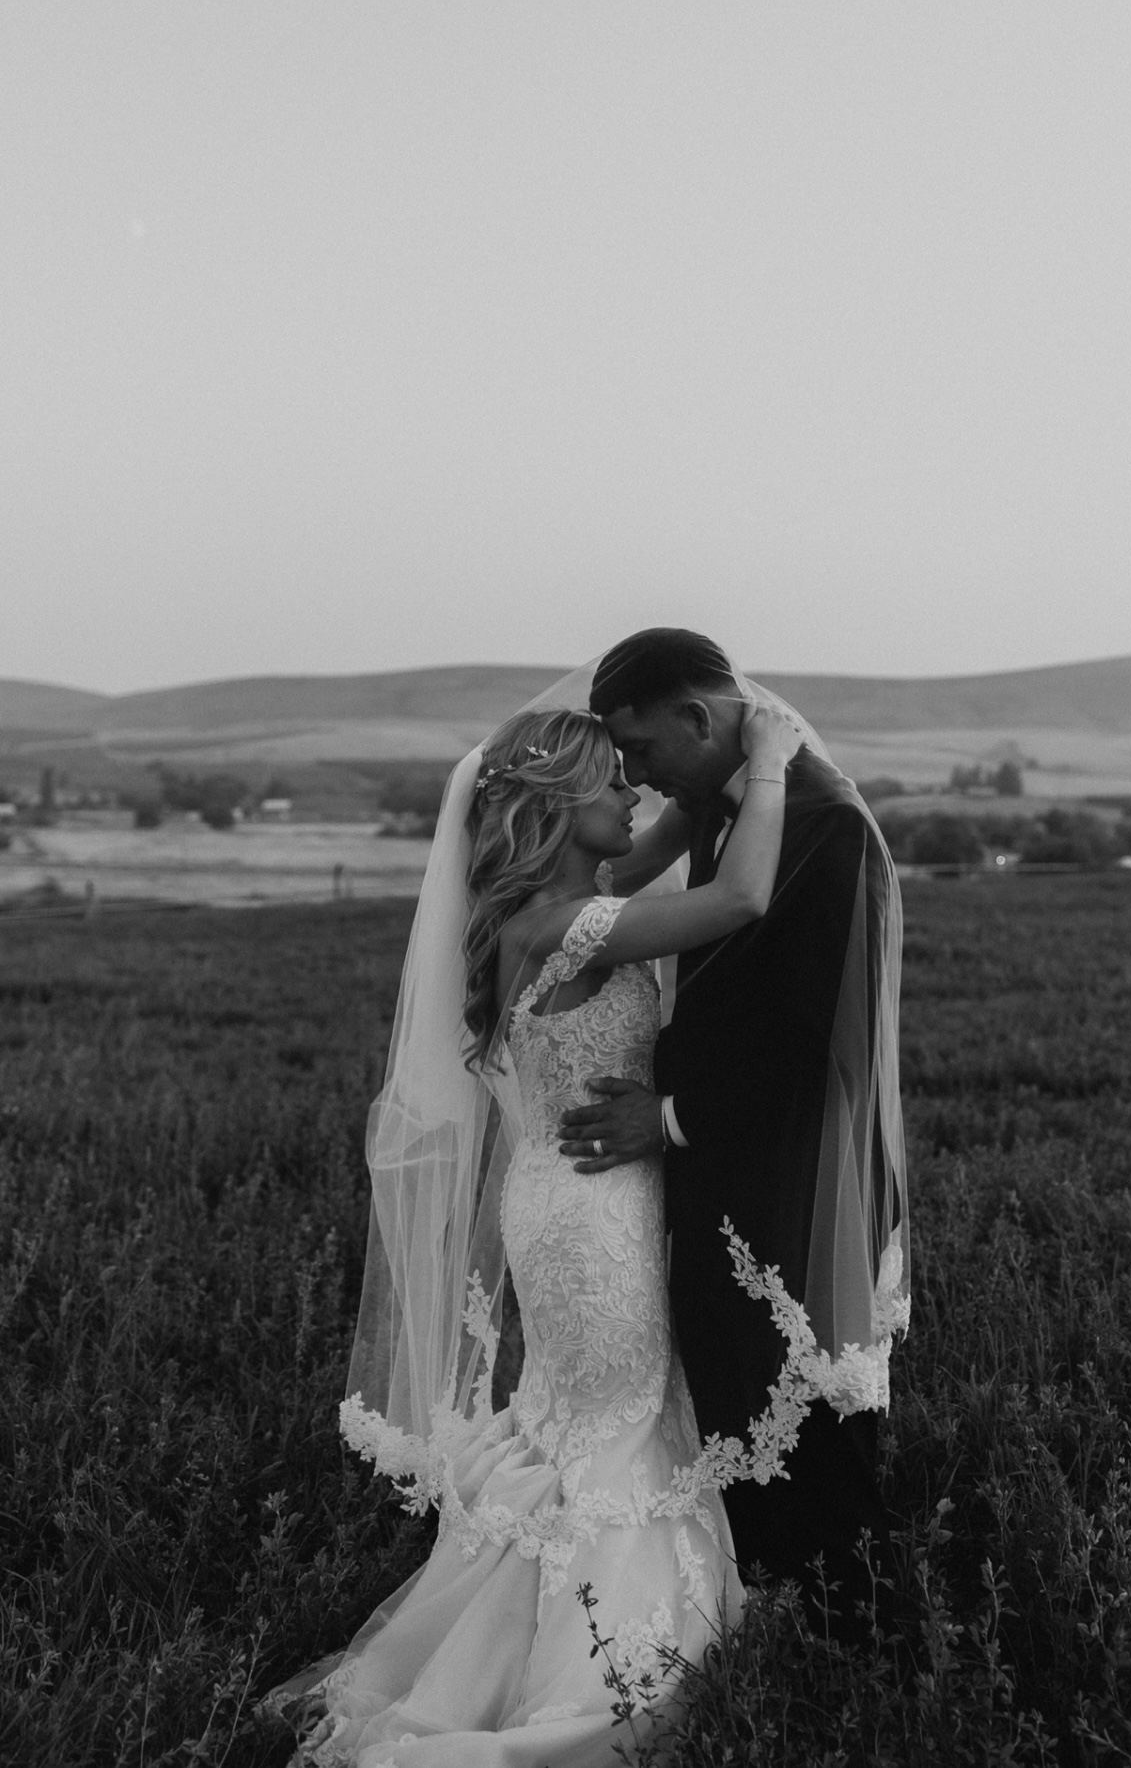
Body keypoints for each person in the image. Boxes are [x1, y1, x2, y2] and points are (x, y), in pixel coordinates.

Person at [270, 692, 804, 1767]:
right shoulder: (568, 927)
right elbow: (743, 895)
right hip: (595, 1216)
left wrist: (709, 761)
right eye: (611, 779)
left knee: (579, 1426)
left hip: (561, 1198)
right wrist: (774, 760)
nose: (633, 790)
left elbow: (668, 828)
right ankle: (594, 1678)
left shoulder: (551, 909)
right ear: (558, 808)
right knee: (613, 1435)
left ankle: (518, 1644)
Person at [561, 629, 909, 1636]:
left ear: (696, 716)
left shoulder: (823, 822)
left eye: (641, 748)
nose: (635, 776)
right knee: (737, 1401)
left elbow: (819, 1042)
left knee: (803, 1412)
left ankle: (863, 1647)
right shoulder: (730, 803)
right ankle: (767, 1622)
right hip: (721, 1174)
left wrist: (667, 1117)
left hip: (789, 1181)